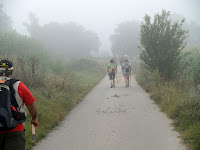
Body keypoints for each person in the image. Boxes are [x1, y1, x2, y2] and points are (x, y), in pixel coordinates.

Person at [0, 59, 39, 150]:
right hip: (15, 130)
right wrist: (34, 119)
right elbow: (31, 106)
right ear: (12, 71)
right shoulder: (19, 85)